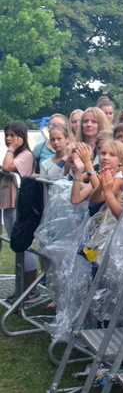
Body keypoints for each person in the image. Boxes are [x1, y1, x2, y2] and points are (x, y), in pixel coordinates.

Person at [2, 122, 37, 288]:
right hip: (8, 204)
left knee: (22, 244)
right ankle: (20, 287)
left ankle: (30, 288)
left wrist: (10, 149)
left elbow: (8, 167)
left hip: (20, 204)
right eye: (6, 135)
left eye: (12, 135)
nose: (9, 139)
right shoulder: (15, 153)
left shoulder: (25, 155)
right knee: (15, 245)